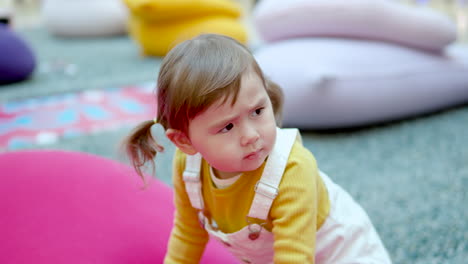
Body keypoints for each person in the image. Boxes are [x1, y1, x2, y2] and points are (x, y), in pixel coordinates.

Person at [124, 34, 392, 264]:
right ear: (185, 141)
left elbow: (293, 257)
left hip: (341, 255)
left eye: (257, 111)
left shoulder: (293, 170)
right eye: (227, 127)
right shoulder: (188, 166)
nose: (251, 136)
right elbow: (188, 232)